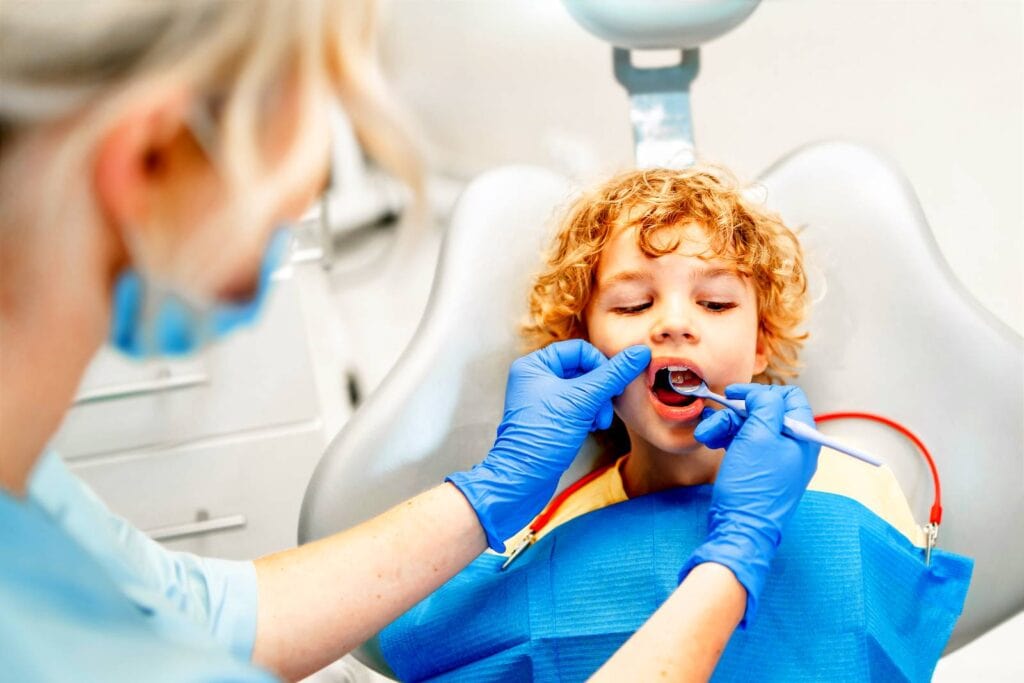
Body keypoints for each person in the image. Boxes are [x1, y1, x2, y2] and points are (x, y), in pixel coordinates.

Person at [0, 3, 820, 681]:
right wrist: (732, 563)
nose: (316, 186)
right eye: (318, 117)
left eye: (714, 299)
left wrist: (488, 493)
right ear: (147, 157)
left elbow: (193, 613)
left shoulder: (33, 507)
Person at [377, 166, 972, 682]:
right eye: (634, 305)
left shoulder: (859, 489)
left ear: (761, 344)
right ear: (585, 350)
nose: (674, 325)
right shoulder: (554, 532)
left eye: (714, 304)